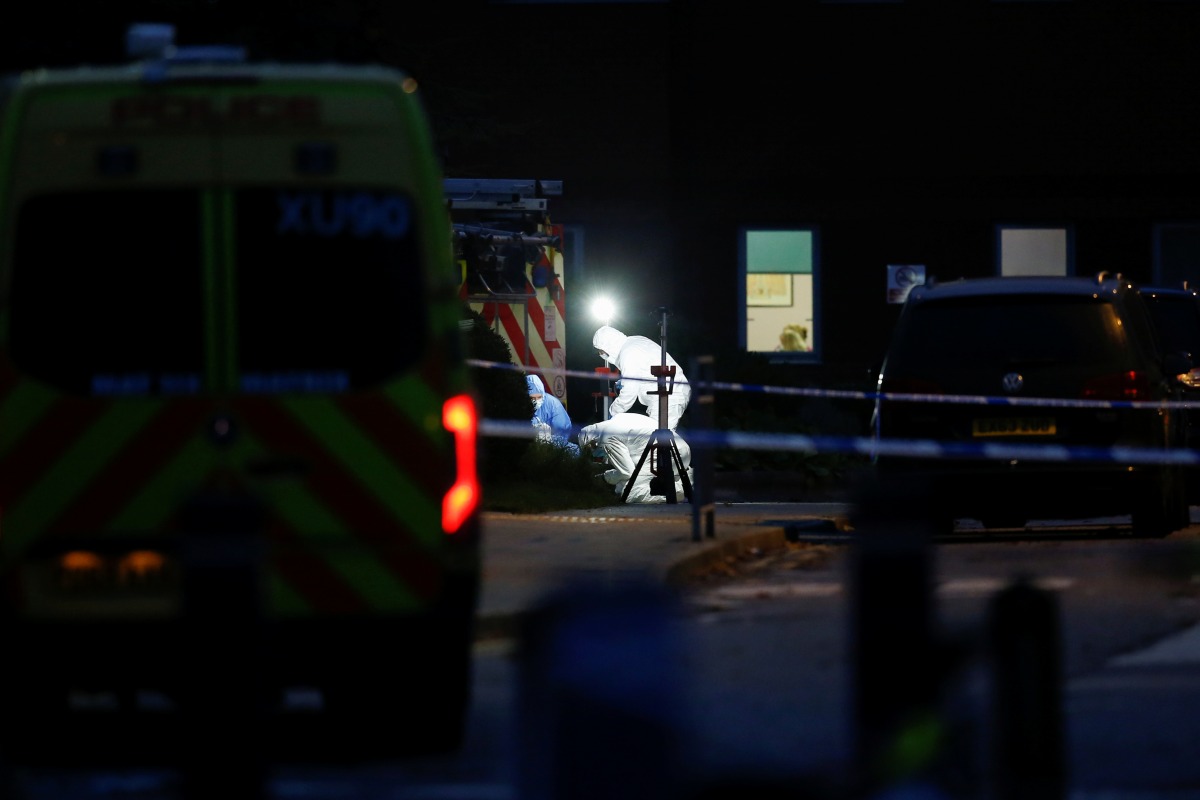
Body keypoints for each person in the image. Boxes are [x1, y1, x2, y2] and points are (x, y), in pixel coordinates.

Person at [577, 412, 692, 504]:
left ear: (592, 444)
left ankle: (686, 489)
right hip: (680, 450)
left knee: (630, 493)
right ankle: (688, 477)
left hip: (666, 454)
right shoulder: (618, 419)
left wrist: (604, 478)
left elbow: (627, 472)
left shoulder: (606, 438)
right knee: (623, 484)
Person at [592, 325, 691, 431]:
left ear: (608, 347)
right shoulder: (635, 341)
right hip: (668, 394)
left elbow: (629, 392)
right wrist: (624, 381)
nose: (601, 354)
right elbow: (643, 372)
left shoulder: (628, 353)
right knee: (656, 439)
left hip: (668, 397)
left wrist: (613, 412)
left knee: (659, 441)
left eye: (601, 351)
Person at [527, 374, 579, 455]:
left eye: (539, 397)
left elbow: (563, 433)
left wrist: (548, 440)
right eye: (532, 398)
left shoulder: (553, 404)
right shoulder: (520, 405)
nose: (536, 401)